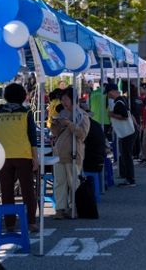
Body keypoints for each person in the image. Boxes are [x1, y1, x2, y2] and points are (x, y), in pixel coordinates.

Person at [0, 83, 39, 232]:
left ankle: (10, 224)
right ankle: (31, 222)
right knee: (28, 191)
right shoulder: (26, 112)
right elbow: (32, 137)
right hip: (23, 155)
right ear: (22, 96)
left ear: (6, 96)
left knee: (6, 192)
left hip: (2, 156)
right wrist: (35, 158)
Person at [51, 86, 90, 218]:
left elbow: (82, 134)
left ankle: (75, 208)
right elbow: (55, 134)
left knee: (74, 183)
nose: (63, 102)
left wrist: (69, 124)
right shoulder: (61, 114)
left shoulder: (82, 116)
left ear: (73, 99)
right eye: (62, 99)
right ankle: (60, 209)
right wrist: (54, 125)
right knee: (59, 183)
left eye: (66, 99)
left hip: (74, 154)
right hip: (59, 154)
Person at [107, 84, 136, 187]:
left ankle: (130, 179)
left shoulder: (118, 102)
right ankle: (128, 177)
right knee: (126, 155)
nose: (108, 95)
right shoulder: (121, 100)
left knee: (126, 156)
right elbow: (129, 114)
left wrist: (112, 115)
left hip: (126, 133)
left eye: (108, 93)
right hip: (128, 132)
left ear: (112, 92)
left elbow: (125, 116)